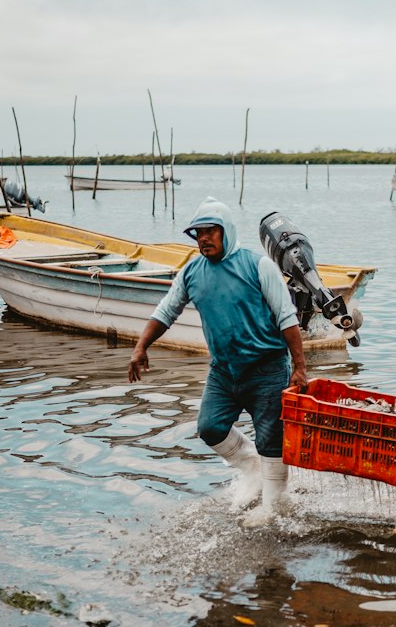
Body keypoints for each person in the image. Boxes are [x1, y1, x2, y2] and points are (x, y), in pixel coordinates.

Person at [127, 197, 307, 526]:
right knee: (209, 428)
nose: (204, 239)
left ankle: (273, 507)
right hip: (223, 371)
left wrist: (298, 366)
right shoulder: (192, 272)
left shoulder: (258, 265)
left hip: (266, 368)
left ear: (227, 232)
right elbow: (166, 311)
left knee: (271, 440)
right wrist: (141, 347)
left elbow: (287, 318)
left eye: (211, 231)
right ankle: (250, 468)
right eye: (198, 233)